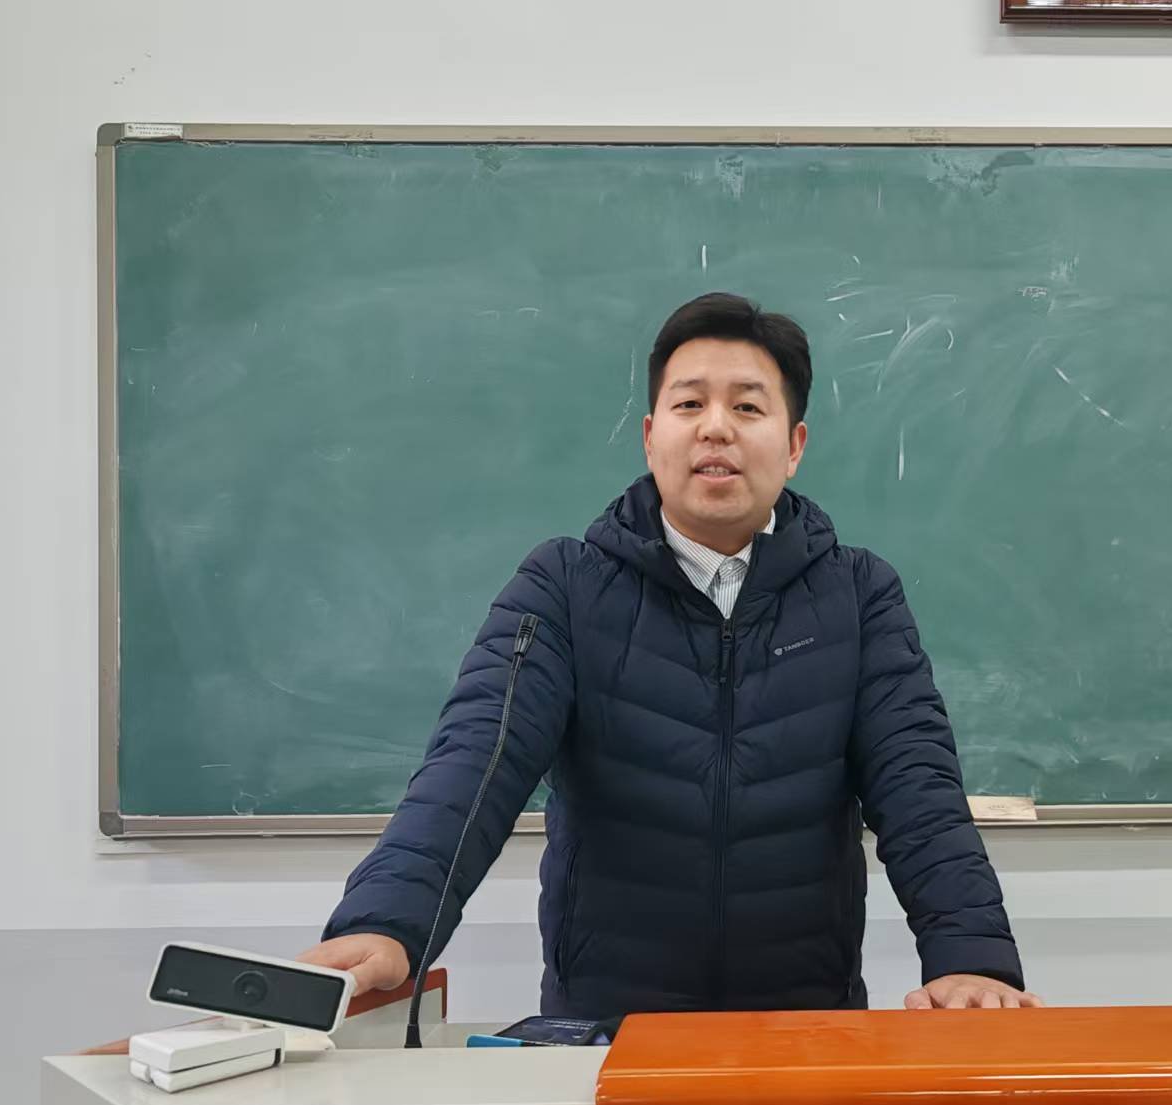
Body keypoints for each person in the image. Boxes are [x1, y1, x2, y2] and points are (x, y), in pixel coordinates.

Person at [298, 292, 1039, 1016]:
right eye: (690, 404)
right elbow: (473, 763)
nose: (716, 427)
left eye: (747, 407)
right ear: (651, 437)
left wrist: (970, 957)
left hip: (803, 1029)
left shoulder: (857, 594)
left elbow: (919, 790)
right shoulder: (564, 586)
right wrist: (387, 920)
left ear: (794, 446)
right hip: (607, 1033)